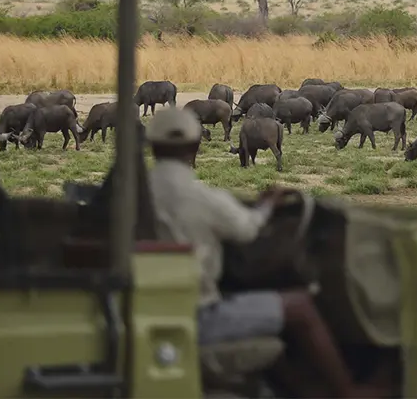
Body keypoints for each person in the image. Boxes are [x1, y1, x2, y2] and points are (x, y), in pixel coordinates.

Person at [145, 107, 378, 398]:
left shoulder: (136, 193)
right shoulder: (200, 198)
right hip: (198, 314)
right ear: (195, 145)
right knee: (300, 306)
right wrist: (267, 205)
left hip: (144, 309)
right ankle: (348, 390)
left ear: (152, 146)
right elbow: (248, 230)